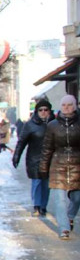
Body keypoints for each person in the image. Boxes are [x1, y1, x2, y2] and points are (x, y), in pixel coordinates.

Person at [38, 94, 79, 240]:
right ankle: (64, 228)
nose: (66, 107)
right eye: (64, 105)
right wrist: (43, 167)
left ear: (74, 106)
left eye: (69, 105)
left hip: (77, 164)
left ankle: (70, 216)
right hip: (58, 165)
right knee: (59, 199)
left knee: (77, 197)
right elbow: (47, 148)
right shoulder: (52, 125)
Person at [12, 98, 53, 216]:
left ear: (49, 111)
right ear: (36, 111)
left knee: (46, 184)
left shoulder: (53, 124)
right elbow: (22, 142)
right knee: (37, 182)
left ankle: (43, 206)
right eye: (41, 110)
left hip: (49, 159)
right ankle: (36, 205)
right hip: (34, 159)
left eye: (46, 110)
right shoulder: (30, 125)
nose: (43, 112)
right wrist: (16, 156)